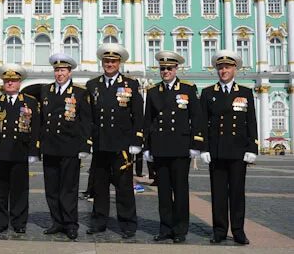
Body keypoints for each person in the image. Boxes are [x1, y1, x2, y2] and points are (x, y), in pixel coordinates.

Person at [143, 50, 204, 243]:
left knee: (180, 190)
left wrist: (196, 144)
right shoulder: (153, 91)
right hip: (160, 148)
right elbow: (148, 121)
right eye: (162, 68)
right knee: (163, 192)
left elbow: (197, 118)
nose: (165, 71)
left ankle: (180, 230)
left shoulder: (188, 89)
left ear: (176, 69)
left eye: (169, 68)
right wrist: (147, 147)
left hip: (180, 148)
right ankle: (165, 228)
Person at [200, 50, 258, 245]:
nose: (223, 70)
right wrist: (204, 148)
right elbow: (202, 123)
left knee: (237, 193)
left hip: (237, 151)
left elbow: (251, 123)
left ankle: (238, 230)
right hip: (216, 151)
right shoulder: (208, 93)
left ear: (235, 69)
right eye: (220, 67)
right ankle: (219, 230)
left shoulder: (245, 92)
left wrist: (252, 147)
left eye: (227, 67)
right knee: (218, 193)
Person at [85, 43, 143, 238]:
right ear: (102, 62)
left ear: (119, 63)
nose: (109, 64)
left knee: (124, 187)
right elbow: (88, 117)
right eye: (107, 61)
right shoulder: (93, 85)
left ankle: (127, 224)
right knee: (99, 187)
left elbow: (137, 115)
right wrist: (89, 142)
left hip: (122, 146)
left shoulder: (131, 85)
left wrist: (137, 140)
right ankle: (99, 221)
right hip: (101, 143)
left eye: (113, 61)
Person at [0, 64, 40, 234]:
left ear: (19, 82)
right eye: (7, 80)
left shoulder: (30, 102)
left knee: (20, 191)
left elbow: (36, 128)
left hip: (20, 152)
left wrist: (33, 151)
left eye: (13, 80)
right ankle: (0, 222)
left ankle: (19, 222)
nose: (10, 83)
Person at [39, 53, 92, 240]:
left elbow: (86, 121)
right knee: (51, 188)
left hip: (70, 147)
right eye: (56, 70)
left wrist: (85, 145)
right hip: (50, 147)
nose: (59, 74)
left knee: (68, 188)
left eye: (62, 70)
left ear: (69, 72)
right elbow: (42, 120)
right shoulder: (46, 91)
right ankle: (57, 222)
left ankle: (70, 223)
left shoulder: (79, 92)